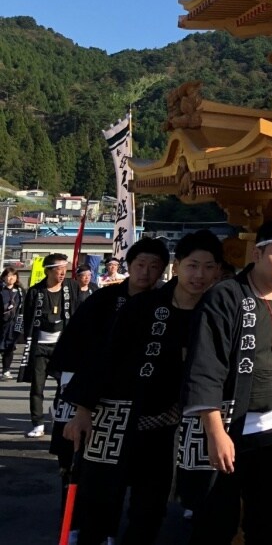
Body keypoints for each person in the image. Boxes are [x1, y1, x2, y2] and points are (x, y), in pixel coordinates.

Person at [64, 231, 222, 545]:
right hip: (114, 417)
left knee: (149, 511)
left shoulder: (215, 312)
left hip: (167, 427)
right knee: (98, 504)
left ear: (218, 271)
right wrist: (82, 411)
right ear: (177, 267)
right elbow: (105, 356)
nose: (199, 275)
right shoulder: (144, 305)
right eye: (192, 265)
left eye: (208, 267)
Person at [180, 220, 272, 545]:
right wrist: (215, 432)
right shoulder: (225, 296)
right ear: (258, 253)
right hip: (230, 430)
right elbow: (206, 366)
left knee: (267, 526)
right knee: (215, 525)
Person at [48, 238, 170, 514]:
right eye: (140, 265)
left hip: (136, 399)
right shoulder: (104, 299)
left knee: (122, 474)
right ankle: (75, 525)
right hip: (91, 391)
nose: (146, 272)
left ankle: (107, 530)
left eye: (154, 267)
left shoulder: (163, 304)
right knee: (79, 464)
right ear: (129, 265)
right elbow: (74, 349)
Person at [15, 253, 80, 438]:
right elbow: (27, 318)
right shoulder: (36, 291)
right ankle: (37, 422)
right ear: (48, 271)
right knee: (37, 387)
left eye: (64, 270)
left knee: (65, 386)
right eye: (58, 270)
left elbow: (77, 311)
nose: (62, 274)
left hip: (62, 346)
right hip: (40, 346)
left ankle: (57, 411)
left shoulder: (71, 287)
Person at [1, 266, 23, 380]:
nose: (11, 278)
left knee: (10, 347)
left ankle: (6, 370)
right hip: (2, 323)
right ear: (4, 277)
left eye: (14, 276)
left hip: (14, 323)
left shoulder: (20, 291)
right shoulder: (1, 290)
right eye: (9, 276)